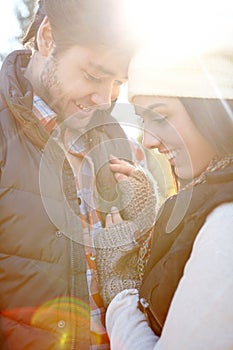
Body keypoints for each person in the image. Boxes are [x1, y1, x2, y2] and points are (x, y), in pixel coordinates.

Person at [0, 1, 158, 349]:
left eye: (118, 82)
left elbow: (155, 288)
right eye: (93, 75)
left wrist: (148, 227)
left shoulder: (119, 141)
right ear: (46, 37)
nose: (105, 99)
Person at [105, 47, 233, 349]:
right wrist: (151, 220)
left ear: (212, 106)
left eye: (160, 117)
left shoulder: (226, 225)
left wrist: (120, 294)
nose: (148, 140)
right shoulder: (210, 193)